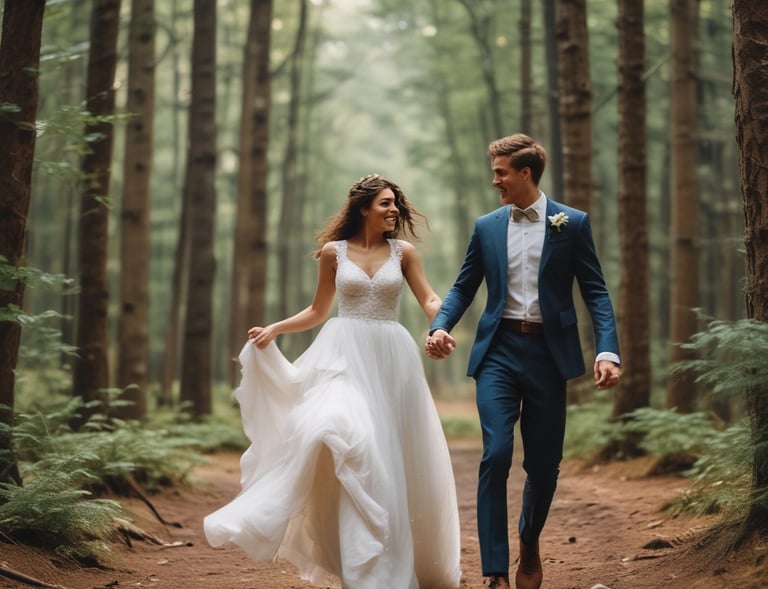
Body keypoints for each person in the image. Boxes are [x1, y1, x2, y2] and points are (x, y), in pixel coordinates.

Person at [204, 174, 462, 589]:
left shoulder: (405, 252)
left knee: (387, 455)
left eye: (396, 203)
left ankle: (388, 560)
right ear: (363, 209)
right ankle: (362, 564)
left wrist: (441, 326)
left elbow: (430, 299)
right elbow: (318, 309)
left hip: (393, 359)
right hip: (343, 354)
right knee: (339, 431)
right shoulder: (333, 253)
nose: (394, 209)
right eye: (384, 203)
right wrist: (276, 329)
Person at [425, 134, 621, 589]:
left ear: (525, 173)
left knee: (543, 464)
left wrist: (607, 351)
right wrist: (440, 327)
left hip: (549, 357)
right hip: (498, 351)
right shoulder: (487, 226)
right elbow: (462, 287)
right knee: (495, 454)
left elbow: (595, 291)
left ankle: (529, 541)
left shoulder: (571, 223)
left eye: (500, 172)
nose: (495, 180)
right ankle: (495, 570)